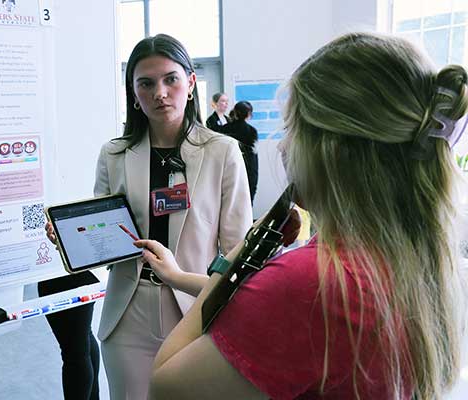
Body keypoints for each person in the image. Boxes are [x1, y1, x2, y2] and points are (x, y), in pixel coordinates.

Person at [143, 32, 466, 400]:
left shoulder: (316, 282)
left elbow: (165, 387)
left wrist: (241, 256)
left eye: (293, 129)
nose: (282, 146)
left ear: (332, 149)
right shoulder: (413, 256)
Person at [46, 34, 252, 400]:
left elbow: (237, 248)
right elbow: (106, 234)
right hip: (128, 311)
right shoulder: (115, 154)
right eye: (146, 83)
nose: (160, 92)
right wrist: (73, 237)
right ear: (134, 93)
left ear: (190, 84)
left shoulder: (223, 151)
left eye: (170, 79)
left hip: (194, 305)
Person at [221, 101, 259, 202]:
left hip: (228, 169)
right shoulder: (252, 131)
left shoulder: (224, 129)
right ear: (249, 114)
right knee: (247, 200)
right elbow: (253, 154)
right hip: (248, 170)